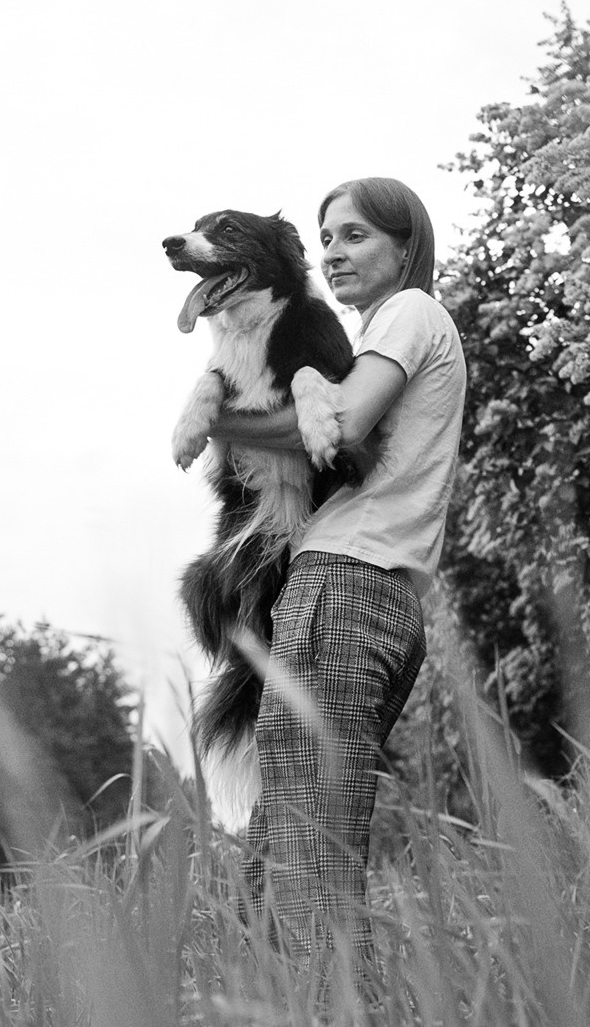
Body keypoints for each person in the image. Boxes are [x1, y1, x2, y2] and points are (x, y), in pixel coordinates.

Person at [200, 175, 466, 988]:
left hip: (341, 586)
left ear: (406, 245)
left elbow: (339, 427)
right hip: (377, 597)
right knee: (277, 859)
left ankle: (346, 1006)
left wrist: (215, 416)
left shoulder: (410, 313)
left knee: (310, 861)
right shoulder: (386, 333)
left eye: (355, 235)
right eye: (326, 238)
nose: (333, 253)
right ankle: (280, 1002)